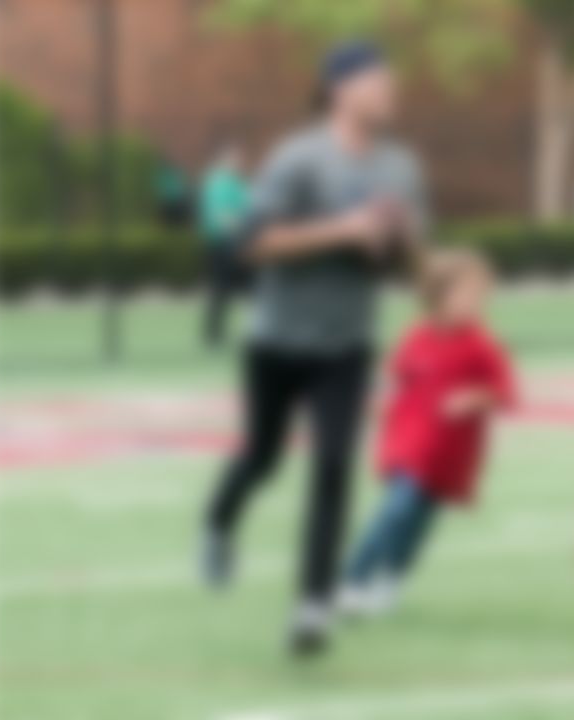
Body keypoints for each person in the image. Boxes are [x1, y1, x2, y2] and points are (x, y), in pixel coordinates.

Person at [200, 40, 429, 658]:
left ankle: (312, 605)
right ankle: (219, 522)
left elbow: (411, 272)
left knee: (333, 467)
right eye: (377, 80)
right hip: (275, 339)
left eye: (390, 80)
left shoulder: (401, 168)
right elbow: (251, 244)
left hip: (346, 346)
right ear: (339, 89)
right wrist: (345, 229)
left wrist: (399, 240)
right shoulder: (298, 157)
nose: (389, 90)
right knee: (264, 458)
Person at [338, 249, 515, 618]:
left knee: (418, 524)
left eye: (480, 295)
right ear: (439, 295)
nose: (475, 302)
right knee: (397, 509)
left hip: (450, 454)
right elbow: (393, 377)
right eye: (467, 294)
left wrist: (475, 397)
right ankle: (351, 580)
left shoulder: (481, 345)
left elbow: (506, 393)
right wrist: (376, 400)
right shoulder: (416, 337)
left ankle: (390, 581)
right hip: (409, 442)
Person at [197, 137, 251, 349]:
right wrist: (241, 231)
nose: (238, 161)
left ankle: (253, 331)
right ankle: (213, 333)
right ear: (224, 158)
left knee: (251, 287)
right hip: (222, 244)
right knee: (221, 288)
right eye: (234, 157)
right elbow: (223, 217)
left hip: (238, 243)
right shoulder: (218, 183)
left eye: (239, 157)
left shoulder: (238, 183)